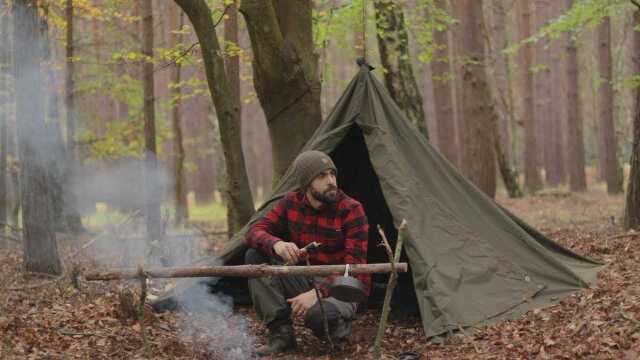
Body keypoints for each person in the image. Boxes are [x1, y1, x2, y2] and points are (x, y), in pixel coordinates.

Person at [245, 150, 370, 356]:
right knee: (255, 257)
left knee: (319, 317)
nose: (331, 181)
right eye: (322, 176)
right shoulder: (290, 202)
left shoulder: (351, 209)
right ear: (306, 183)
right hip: (305, 276)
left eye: (332, 174)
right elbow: (253, 231)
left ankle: (339, 332)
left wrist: (317, 293)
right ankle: (281, 335)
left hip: (343, 285)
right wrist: (277, 244)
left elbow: (354, 269)